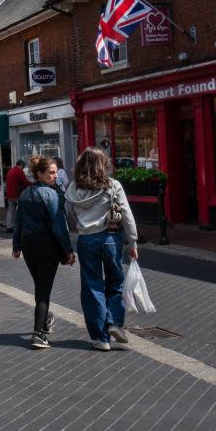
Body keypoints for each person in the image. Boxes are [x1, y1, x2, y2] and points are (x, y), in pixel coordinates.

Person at [65, 147, 139, 352]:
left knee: (92, 287)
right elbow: (127, 215)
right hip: (110, 238)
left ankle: (100, 337)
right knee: (115, 283)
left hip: (86, 240)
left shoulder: (73, 188)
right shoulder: (113, 186)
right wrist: (132, 242)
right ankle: (114, 323)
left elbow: (68, 211)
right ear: (103, 164)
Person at [12, 156, 74, 350]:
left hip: (30, 246)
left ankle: (45, 319)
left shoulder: (24, 194)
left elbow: (18, 222)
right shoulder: (51, 195)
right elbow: (58, 225)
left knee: (40, 286)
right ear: (39, 174)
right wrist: (68, 249)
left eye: (56, 172)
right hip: (48, 246)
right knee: (43, 291)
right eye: (51, 173)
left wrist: (16, 245)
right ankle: (38, 334)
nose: (55, 176)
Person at [5, 159, 31, 233]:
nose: (23, 168)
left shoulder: (10, 171)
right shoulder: (19, 171)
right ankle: (23, 226)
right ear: (21, 165)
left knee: (10, 211)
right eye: (23, 166)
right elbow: (25, 182)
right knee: (23, 209)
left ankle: (8, 226)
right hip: (17, 194)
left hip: (10, 194)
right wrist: (34, 184)